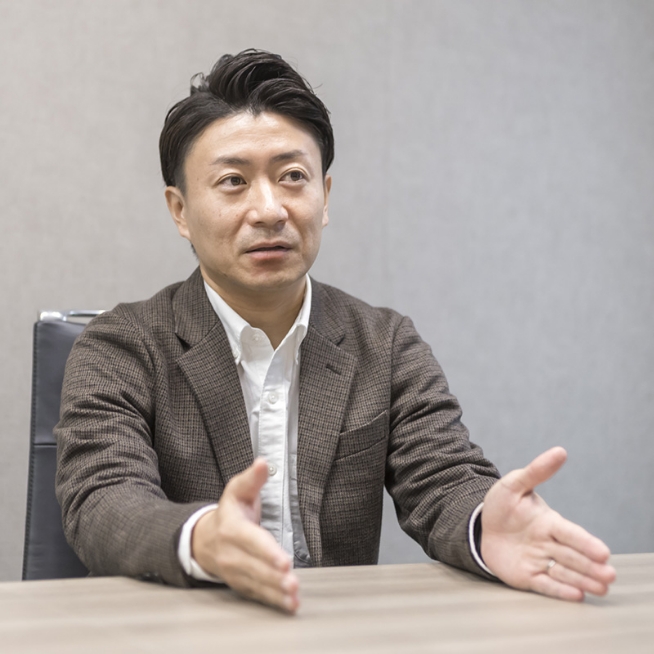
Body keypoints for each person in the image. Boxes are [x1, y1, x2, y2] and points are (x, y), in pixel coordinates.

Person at [55, 49, 615, 614]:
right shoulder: (120, 345)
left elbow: (443, 479)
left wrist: (481, 524)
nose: (269, 209)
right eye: (233, 181)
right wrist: (202, 538)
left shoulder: (385, 344)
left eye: (292, 177)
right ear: (180, 211)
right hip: (181, 630)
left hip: (334, 630)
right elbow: (102, 500)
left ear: (324, 196)